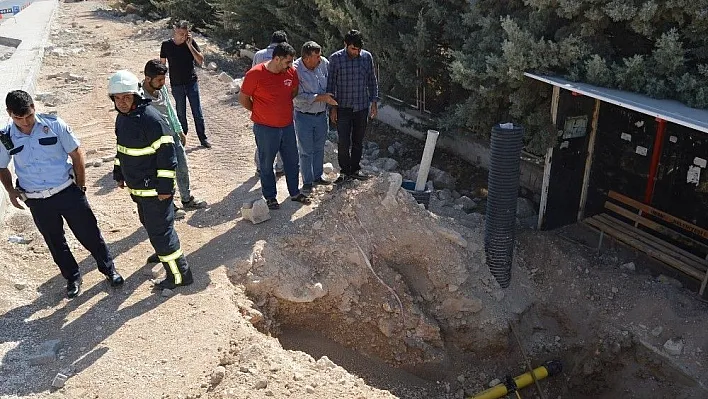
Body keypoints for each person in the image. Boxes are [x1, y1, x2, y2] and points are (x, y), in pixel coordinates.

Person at [0, 90, 123, 298]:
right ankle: (72, 277)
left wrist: (81, 186)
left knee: (89, 234)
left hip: (67, 191)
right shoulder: (5, 137)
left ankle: (109, 269)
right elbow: (2, 166)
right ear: (9, 114)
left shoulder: (54, 125)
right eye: (18, 118)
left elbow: (76, 154)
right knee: (55, 242)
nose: (25, 122)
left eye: (28, 116)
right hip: (37, 200)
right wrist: (10, 190)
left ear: (34, 108)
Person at [109, 70, 193, 289]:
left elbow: (168, 157)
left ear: (136, 95)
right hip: (140, 191)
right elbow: (122, 150)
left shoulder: (151, 119)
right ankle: (164, 253)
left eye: (126, 97)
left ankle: (179, 275)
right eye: (117, 98)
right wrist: (119, 173)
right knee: (151, 226)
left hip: (156, 191)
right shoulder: (123, 118)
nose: (122, 102)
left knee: (161, 233)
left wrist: (165, 188)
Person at [239, 42, 311, 209]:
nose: (290, 66)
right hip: (265, 128)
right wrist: (259, 112)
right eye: (287, 62)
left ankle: (294, 192)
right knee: (266, 163)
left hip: (287, 126)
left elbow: (294, 91)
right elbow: (243, 99)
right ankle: (270, 197)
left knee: (292, 161)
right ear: (277, 59)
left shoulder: (291, 72)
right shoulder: (255, 74)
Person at [142, 59, 207, 225]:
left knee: (182, 167)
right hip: (156, 142)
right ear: (148, 79)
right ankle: (169, 205)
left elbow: (170, 110)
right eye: (159, 80)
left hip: (172, 135)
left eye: (164, 79)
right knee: (164, 175)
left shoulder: (161, 89)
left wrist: (179, 130)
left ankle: (187, 198)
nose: (163, 83)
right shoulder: (139, 96)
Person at [327, 29, 380, 183]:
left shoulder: (366, 57)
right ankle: (344, 171)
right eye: (353, 49)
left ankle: (355, 169)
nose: (356, 52)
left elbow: (372, 80)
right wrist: (333, 108)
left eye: (358, 49)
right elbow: (331, 85)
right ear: (345, 44)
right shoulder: (336, 59)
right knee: (343, 141)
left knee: (358, 140)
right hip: (342, 107)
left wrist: (374, 103)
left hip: (361, 107)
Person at [293, 41, 338, 193]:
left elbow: (331, 83)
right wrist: (321, 97)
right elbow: (297, 97)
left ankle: (317, 176)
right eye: (316, 56)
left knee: (319, 147)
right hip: (304, 116)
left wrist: (331, 107)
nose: (320, 58)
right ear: (306, 58)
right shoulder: (294, 70)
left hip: (321, 115)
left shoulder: (323, 63)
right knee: (306, 150)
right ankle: (307, 181)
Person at [160, 20, 211, 148]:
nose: (182, 36)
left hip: (191, 82)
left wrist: (190, 46)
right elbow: (162, 65)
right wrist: (161, 82)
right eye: (180, 33)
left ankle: (203, 138)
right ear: (174, 31)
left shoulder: (190, 43)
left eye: (185, 34)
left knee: (197, 113)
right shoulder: (166, 45)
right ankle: (182, 139)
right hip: (176, 84)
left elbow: (200, 61)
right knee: (180, 113)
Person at [251, 30, 288, 177]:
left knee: (262, 137)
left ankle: (261, 167)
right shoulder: (286, 56)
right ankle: (279, 166)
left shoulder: (259, 55)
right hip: (280, 104)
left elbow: (251, 76)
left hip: (261, 104)